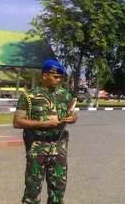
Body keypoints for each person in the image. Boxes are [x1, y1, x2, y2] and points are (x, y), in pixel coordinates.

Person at [13, 60, 78, 203]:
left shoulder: (64, 95)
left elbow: (73, 115)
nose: (59, 80)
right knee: (33, 189)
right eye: (55, 77)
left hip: (59, 147)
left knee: (58, 190)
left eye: (60, 77)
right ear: (44, 76)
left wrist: (72, 118)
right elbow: (17, 122)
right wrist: (45, 124)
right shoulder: (29, 96)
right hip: (37, 147)